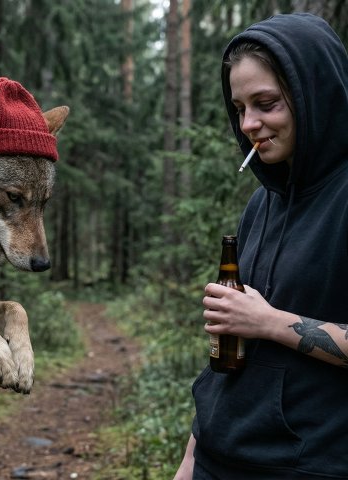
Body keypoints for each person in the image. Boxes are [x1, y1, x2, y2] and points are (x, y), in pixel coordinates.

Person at [174, 13, 348, 480]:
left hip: (303, 466)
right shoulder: (261, 204)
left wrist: (270, 322)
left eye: (266, 103)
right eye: (239, 108)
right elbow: (230, 353)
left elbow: (258, 323)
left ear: (313, 93)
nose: (249, 123)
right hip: (219, 457)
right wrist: (191, 459)